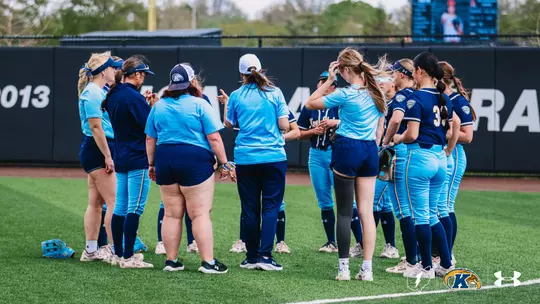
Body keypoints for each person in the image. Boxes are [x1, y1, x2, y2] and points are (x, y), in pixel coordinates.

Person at [306, 47, 386, 281]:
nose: (338, 74)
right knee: (366, 213)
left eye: (339, 70)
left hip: (348, 148)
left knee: (343, 212)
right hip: (369, 150)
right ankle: (367, 269)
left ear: (345, 69)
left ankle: (344, 268)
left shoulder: (345, 93)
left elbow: (311, 103)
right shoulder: (377, 92)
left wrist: (328, 80)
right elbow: (380, 128)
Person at [146, 63, 233, 274]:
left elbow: (150, 138)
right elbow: (214, 137)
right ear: (191, 81)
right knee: (200, 214)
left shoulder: (159, 105)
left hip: (165, 158)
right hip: (194, 159)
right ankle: (208, 262)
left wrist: (151, 164)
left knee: (171, 214)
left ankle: (171, 261)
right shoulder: (199, 104)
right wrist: (224, 163)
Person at [219, 53, 289, 271]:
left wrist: (227, 104)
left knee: (249, 208)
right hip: (273, 157)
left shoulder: (237, 96)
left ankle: (251, 257)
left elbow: (228, 124)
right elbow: (285, 125)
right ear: (260, 68)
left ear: (241, 74)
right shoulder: (274, 92)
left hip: (246, 158)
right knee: (271, 207)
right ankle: (265, 256)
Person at [393, 52, 455, 279]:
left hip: (420, 157)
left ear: (419, 71)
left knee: (420, 216)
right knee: (432, 214)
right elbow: (451, 128)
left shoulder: (415, 98)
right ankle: (446, 264)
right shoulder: (444, 97)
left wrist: (398, 139)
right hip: (440, 158)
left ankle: (426, 267)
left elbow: (412, 134)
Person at [297, 71, 364, 255]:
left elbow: (355, 124)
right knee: (324, 200)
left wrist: (336, 123)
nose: (328, 86)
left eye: (331, 84)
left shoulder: (341, 103)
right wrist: (313, 132)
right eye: (323, 82)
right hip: (316, 155)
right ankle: (330, 242)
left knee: (347, 202)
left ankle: (360, 242)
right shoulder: (310, 106)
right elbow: (299, 133)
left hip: (336, 153)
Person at [103, 55, 157, 268]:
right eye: (142, 73)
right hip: (137, 156)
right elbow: (149, 127)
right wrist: (150, 106)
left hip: (121, 156)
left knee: (121, 207)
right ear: (136, 74)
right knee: (134, 208)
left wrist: (143, 103)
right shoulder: (132, 97)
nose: (143, 77)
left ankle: (118, 253)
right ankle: (127, 257)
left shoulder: (114, 93)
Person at [226, 111, 299, 255]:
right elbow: (233, 126)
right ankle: (246, 242)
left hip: (267, 157)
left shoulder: (275, 102)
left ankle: (279, 242)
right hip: (254, 157)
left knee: (273, 204)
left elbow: (295, 131)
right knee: (250, 204)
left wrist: (281, 137)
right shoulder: (247, 102)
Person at [77, 51, 119, 262]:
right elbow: (96, 127)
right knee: (114, 201)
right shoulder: (93, 92)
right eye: (111, 67)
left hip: (95, 149)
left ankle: (91, 250)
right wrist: (108, 155)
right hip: (98, 150)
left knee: (96, 202)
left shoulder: (97, 90)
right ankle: (115, 251)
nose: (114, 71)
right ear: (103, 71)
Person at [382, 59, 420, 274]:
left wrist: (386, 141)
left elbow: (396, 119)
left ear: (403, 74)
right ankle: (417, 255)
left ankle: (412, 260)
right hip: (414, 151)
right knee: (415, 208)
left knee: (402, 208)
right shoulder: (417, 94)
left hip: (400, 151)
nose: (392, 75)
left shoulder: (402, 95)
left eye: (394, 72)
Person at [439, 61, 475, 260]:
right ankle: (437, 253)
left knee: (446, 205)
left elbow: (468, 136)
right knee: (437, 205)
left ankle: (447, 254)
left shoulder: (458, 101)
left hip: (454, 154)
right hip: (442, 153)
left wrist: (440, 132)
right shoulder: (441, 98)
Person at [373, 74, 399, 259]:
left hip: (392, 155)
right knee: (383, 203)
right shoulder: (378, 101)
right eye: (378, 79)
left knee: (375, 199)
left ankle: (363, 243)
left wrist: (386, 143)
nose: (381, 82)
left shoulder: (401, 100)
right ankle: (390, 246)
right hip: (378, 153)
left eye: (386, 78)